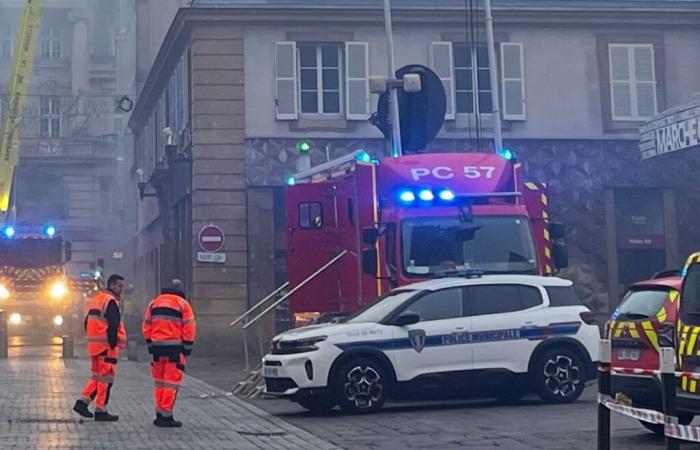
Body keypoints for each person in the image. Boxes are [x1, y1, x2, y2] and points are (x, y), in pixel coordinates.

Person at [143, 279, 196, 427]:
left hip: (157, 348)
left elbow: (147, 325)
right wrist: (187, 348)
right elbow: (189, 327)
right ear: (180, 289)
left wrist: (150, 344)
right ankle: (167, 415)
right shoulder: (182, 304)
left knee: (159, 382)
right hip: (174, 349)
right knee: (171, 383)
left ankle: (159, 412)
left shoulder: (154, 302)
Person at [73, 274, 127, 422]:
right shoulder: (110, 301)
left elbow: (87, 322)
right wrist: (113, 344)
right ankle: (101, 409)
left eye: (122, 286)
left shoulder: (97, 299)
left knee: (97, 376)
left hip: (94, 345)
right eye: (119, 286)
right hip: (106, 347)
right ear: (112, 285)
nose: (121, 289)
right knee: (106, 379)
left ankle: (82, 403)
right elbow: (113, 325)